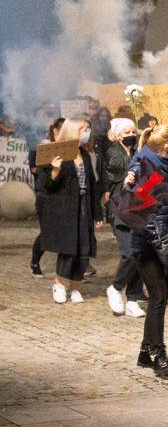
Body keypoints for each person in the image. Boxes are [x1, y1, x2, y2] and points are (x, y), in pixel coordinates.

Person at [125, 125, 168, 376]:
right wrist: (130, 182)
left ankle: (144, 351)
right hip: (147, 243)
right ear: (166, 144)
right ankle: (157, 352)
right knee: (158, 296)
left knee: (161, 295)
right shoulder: (142, 163)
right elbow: (130, 189)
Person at [38, 118, 103, 304]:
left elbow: (91, 184)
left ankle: (75, 287)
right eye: (83, 129)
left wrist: (97, 212)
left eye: (88, 129)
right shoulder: (55, 151)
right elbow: (47, 184)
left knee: (84, 248)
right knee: (68, 248)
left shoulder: (83, 152)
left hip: (84, 205)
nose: (87, 133)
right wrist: (55, 171)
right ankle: (58, 283)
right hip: (65, 208)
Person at [104, 118, 146, 318]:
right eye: (126, 132)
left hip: (138, 208)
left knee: (140, 253)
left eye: (133, 131)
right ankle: (116, 286)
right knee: (129, 252)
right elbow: (117, 164)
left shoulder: (138, 152)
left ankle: (133, 298)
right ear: (118, 135)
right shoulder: (114, 152)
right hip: (120, 209)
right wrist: (138, 159)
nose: (130, 135)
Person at [29, 116, 65, 278]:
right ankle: (35, 262)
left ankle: (70, 267)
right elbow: (41, 176)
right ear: (55, 131)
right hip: (46, 196)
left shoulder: (71, 149)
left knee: (67, 230)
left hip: (64, 195)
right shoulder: (44, 148)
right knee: (47, 232)